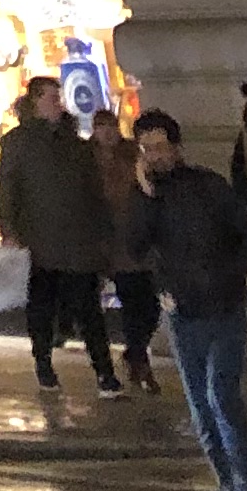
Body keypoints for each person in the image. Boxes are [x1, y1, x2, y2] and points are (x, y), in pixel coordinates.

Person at [135, 110, 247, 491]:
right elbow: (134, 246)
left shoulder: (208, 186)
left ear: (176, 146)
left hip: (225, 308)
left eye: (159, 146)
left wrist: (226, 276)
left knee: (221, 396)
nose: (154, 156)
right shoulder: (148, 196)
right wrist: (145, 197)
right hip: (184, 315)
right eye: (146, 148)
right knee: (202, 412)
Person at [0, 72, 124, 396]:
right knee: (43, 308)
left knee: (88, 311)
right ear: (36, 101)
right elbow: (8, 190)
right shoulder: (19, 143)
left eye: (59, 98)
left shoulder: (75, 144)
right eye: (52, 98)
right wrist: (11, 230)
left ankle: (104, 373)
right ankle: (45, 364)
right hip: (41, 243)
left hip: (78, 242)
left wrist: (102, 233)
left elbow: (93, 191)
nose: (59, 104)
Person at [89, 106, 160, 392]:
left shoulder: (132, 154)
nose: (108, 133)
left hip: (140, 240)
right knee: (133, 303)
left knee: (151, 304)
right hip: (115, 246)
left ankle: (135, 352)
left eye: (111, 126)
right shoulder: (89, 159)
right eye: (102, 127)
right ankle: (139, 360)